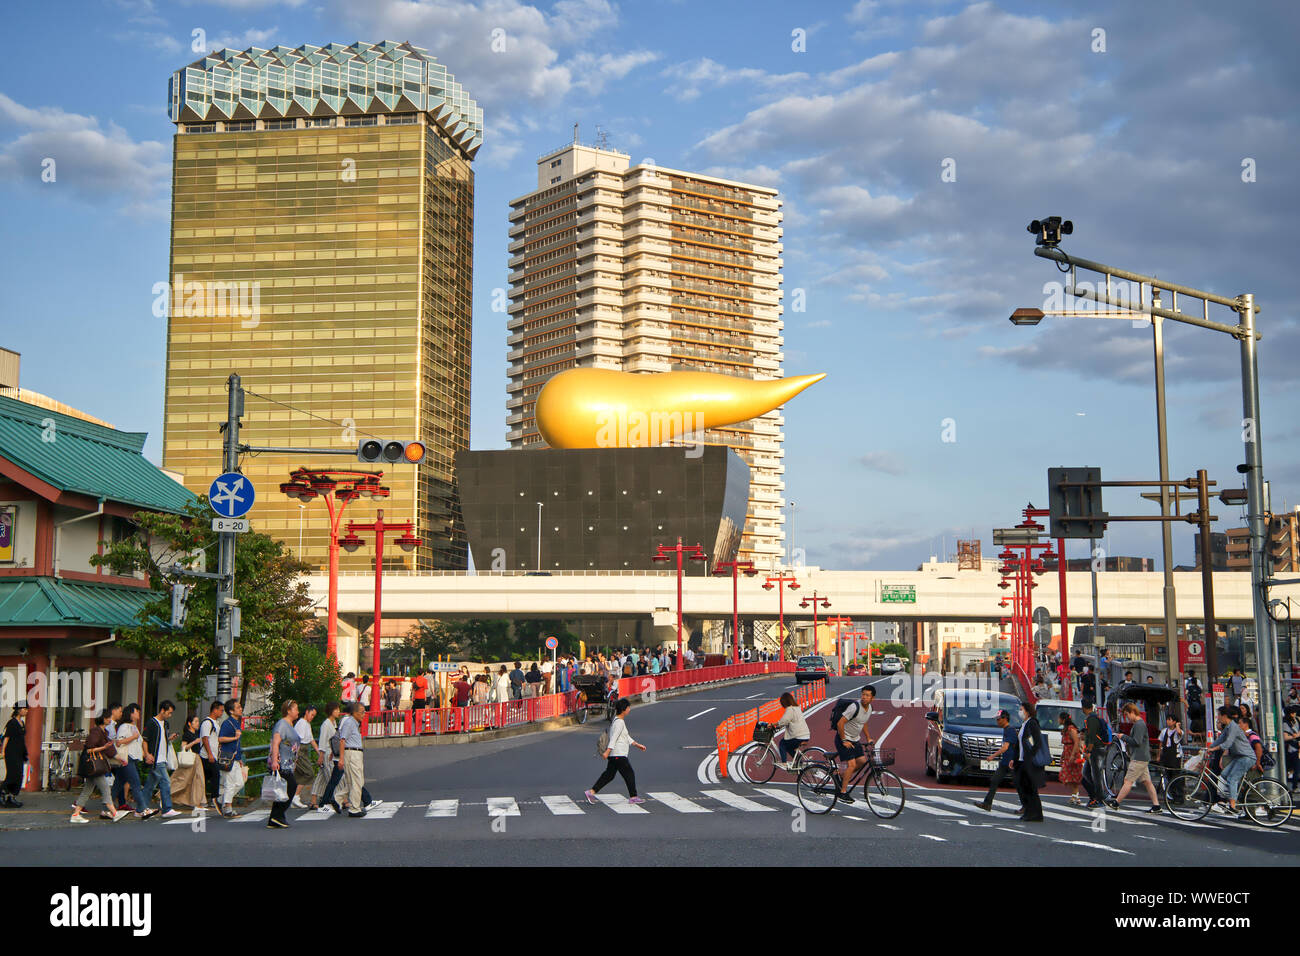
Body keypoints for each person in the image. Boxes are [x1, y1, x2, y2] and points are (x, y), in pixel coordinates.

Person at [70, 710, 132, 823]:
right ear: (103, 719)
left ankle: (76, 814)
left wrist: (120, 758)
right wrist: (104, 748)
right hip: (94, 765)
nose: (110, 719)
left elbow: (109, 750)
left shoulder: (103, 732)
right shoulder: (96, 732)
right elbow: (89, 749)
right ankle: (114, 813)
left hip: (93, 766)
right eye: (108, 717)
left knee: (87, 790)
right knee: (105, 789)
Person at [585, 698, 646, 804]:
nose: (629, 709)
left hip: (615, 755)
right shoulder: (619, 723)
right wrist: (607, 751)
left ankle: (591, 792)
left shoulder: (617, 720)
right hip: (619, 754)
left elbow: (625, 736)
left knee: (609, 775)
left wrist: (636, 744)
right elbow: (614, 738)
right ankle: (633, 796)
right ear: (623, 709)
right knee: (629, 773)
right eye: (628, 707)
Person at [1107, 703, 1162, 813]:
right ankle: (1156, 806)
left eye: (1127, 715)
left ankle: (1116, 802)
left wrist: (1124, 737)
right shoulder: (1139, 724)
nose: (1127, 717)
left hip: (1139, 758)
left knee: (1128, 780)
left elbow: (1136, 742)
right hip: (1142, 757)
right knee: (1147, 782)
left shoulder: (1139, 725)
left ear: (1132, 712)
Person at [1204, 705, 1255, 817]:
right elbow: (1220, 740)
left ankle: (1232, 806)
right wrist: (1208, 748)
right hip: (1239, 757)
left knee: (1232, 779)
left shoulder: (1233, 727)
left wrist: (1213, 749)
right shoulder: (1227, 727)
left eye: (1219, 715)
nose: (1218, 718)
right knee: (1225, 774)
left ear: (1224, 716)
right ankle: (1235, 794)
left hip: (1247, 757)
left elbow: (1227, 743)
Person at [834, 686, 877, 804]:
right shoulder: (854, 707)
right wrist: (844, 740)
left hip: (854, 739)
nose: (864, 697)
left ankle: (841, 776)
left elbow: (864, 722)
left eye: (867, 695)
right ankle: (843, 792)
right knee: (852, 765)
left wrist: (868, 737)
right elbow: (840, 723)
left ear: (872, 698)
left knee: (862, 761)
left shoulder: (869, 708)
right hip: (843, 739)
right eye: (863, 694)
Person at [337, 701, 380, 818]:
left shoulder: (354, 723)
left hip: (354, 753)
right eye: (361, 712)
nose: (363, 714)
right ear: (354, 713)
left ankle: (337, 799)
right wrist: (341, 758)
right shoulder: (350, 723)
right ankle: (354, 809)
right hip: (352, 753)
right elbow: (342, 740)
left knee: (353, 781)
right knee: (357, 781)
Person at [140, 699, 181, 819]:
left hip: (162, 758)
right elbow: (145, 740)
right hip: (155, 759)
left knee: (150, 785)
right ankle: (167, 809)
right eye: (169, 712)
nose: (170, 715)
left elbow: (162, 740)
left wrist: (169, 738)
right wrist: (147, 754)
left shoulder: (166, 724)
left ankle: (140, 808)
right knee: (166, 782)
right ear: (162, 710)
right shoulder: (151, 723)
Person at [111, 704, 151, 818]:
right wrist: (133, 737)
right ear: (131, 713)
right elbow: (119, 742)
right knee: (136, 784)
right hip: (127, 758)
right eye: (136, 711)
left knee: (118, 784)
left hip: (133, 759)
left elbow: (138, 743)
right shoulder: (124, 726)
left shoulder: (134, 726)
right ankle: (142, 809)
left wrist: (146, 755)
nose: (139, 713)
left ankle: (105, 808)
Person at [976, 709, 1019, 812]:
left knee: (1019, 784)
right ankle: (987, 803)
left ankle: (1026, 806)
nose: (997, 721)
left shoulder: (1010, 730)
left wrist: (992, 756)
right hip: (1005, 762)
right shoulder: (1006, 730)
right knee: (994, 781)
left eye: (999, 719)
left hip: (1011, 762)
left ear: (1005, 719)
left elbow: (1005, 747)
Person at [267, 700, 302, 829]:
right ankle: (277, 815)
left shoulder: (290, 725)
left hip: (288, 763)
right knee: (291, 786)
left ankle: (275, 818)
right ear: (288, 710)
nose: (298, 711)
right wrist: (275, 761)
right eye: (296, 709)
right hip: (281, 763)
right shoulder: (282, 724)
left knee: (281, 790)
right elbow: (276, 742)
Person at [1011, 701, 1045, 822]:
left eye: (1021, 709)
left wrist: (1030, 755)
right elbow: (1020, 744)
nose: (1020, 712)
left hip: (1028, 761)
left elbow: (1037, 742)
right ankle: (1030, 812)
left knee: (1030, 788)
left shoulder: (1032, 723)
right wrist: (1014, 759)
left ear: (1027, 711)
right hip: (1021, 760)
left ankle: (1034, 813)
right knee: (1023, 786)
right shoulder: (1024, 724)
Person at [168, 712, 209, 812]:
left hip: (196, 758)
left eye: (198, 721)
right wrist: (194, 742)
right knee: (183, 780)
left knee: (197, 780)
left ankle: (197, 803)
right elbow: (183, 747)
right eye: (195, 721)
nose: (197, 723)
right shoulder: (187, 734)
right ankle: (165, 795)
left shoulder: (197, 733)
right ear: (189, 723)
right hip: (190, 759)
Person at [217, 699, 245, 818]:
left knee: (240, 782)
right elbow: (220, 739)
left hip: (234, 757)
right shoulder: (227, 723)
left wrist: (239, 757)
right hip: (228, 758)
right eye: (238, 707)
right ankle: (228, 808)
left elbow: (237, 743)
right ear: (231, 711)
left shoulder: (236, 722)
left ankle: (221, 800)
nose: (241, 709)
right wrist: (234, 738)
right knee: (230, 783)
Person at [311, 702, 340, 812]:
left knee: (321, 778)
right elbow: (323, 740)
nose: (338, 712)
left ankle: (313, 801)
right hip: (327, 754)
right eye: (336, 710)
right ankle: (334, 801)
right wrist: (321, 755)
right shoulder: (326, 724)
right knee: (331, 778)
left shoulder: (334, 723)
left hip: (332, 753)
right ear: (331, 711)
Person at [1079, 699, 1107, 809]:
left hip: (1096, 750)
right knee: (1086, 773)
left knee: (1096, 775)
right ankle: (1096, 796)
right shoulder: (1093, 718)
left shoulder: (1092, 719)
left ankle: (1099, 799)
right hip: (1096, 749)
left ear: (1084, 707)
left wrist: (1088, 751)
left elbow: (1092, 737)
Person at [772, 692, 810, 770]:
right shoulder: (797, 708)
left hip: (798, 736)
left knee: (782, 744)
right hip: (805, 735)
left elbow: (784, 721)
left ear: (784, 702)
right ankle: (799, 762)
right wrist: (780, 725)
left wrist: (773, 725)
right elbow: (790, 721)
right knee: (789, 748)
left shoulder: (790, 709)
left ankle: (784, 763)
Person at [1, 701, 29, 808]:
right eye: (25, 709)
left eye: (27, 709)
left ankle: (11, 797)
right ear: (19, 710)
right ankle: (2, 791)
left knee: (19, 776)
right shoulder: (12, 723)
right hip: (11, 752)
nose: (26, 711)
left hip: (19, 753)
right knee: (12, 775)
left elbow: (22, 740)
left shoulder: (22, 723)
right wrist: (3, 752)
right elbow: (6, 738)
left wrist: (25, 753)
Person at [290, 703, 317, 809]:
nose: (312, 717)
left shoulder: (307, 724)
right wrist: (296, 757)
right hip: (300, 750)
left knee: (300, 775)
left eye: (314, 715)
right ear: (307, 712)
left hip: (304, 750)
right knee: (308, 773)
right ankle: (295, 796)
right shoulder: (301, 723)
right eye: (312, 714)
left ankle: (295, 797)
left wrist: (319, 752)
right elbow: (298, 741)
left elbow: (311, 740)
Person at [199, 700, 224, 811]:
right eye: (221, 710)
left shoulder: (215, 723)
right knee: (215, 775)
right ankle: (214, 798)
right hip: (207, 756)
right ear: (215, 710)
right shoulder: (207, 723)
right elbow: (205, 738)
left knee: (206, 777)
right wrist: (209, 753)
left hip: (213, 755)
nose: (222, 713)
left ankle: (203, 798)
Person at [1057, 711, 1085, 805]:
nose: (1058, 720)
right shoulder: (1066, 729)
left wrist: (1073, 755)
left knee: (1073, 776)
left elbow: (1076, 742)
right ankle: (1075, 795)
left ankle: (1076, 796)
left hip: (1072, 753)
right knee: (1070, 776)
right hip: (1067, 753)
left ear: (1063, 719)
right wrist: (1062, 756)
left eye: (1059, 718)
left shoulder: (1071, 729)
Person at [1155, 713, 1184, 793]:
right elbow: (1160, 744)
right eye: (1167, 719)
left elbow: (1179, 733)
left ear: (1174, 722)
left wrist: (1178, 725)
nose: (1168, 721)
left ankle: (1177, 795)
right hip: (1166, 755)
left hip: (1175, 757)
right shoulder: (1164, 731)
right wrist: (1159, 755)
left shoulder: (1178, 731)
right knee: (1167, 775)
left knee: (1175, 776)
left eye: (1170, 720)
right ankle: (1170, 794)